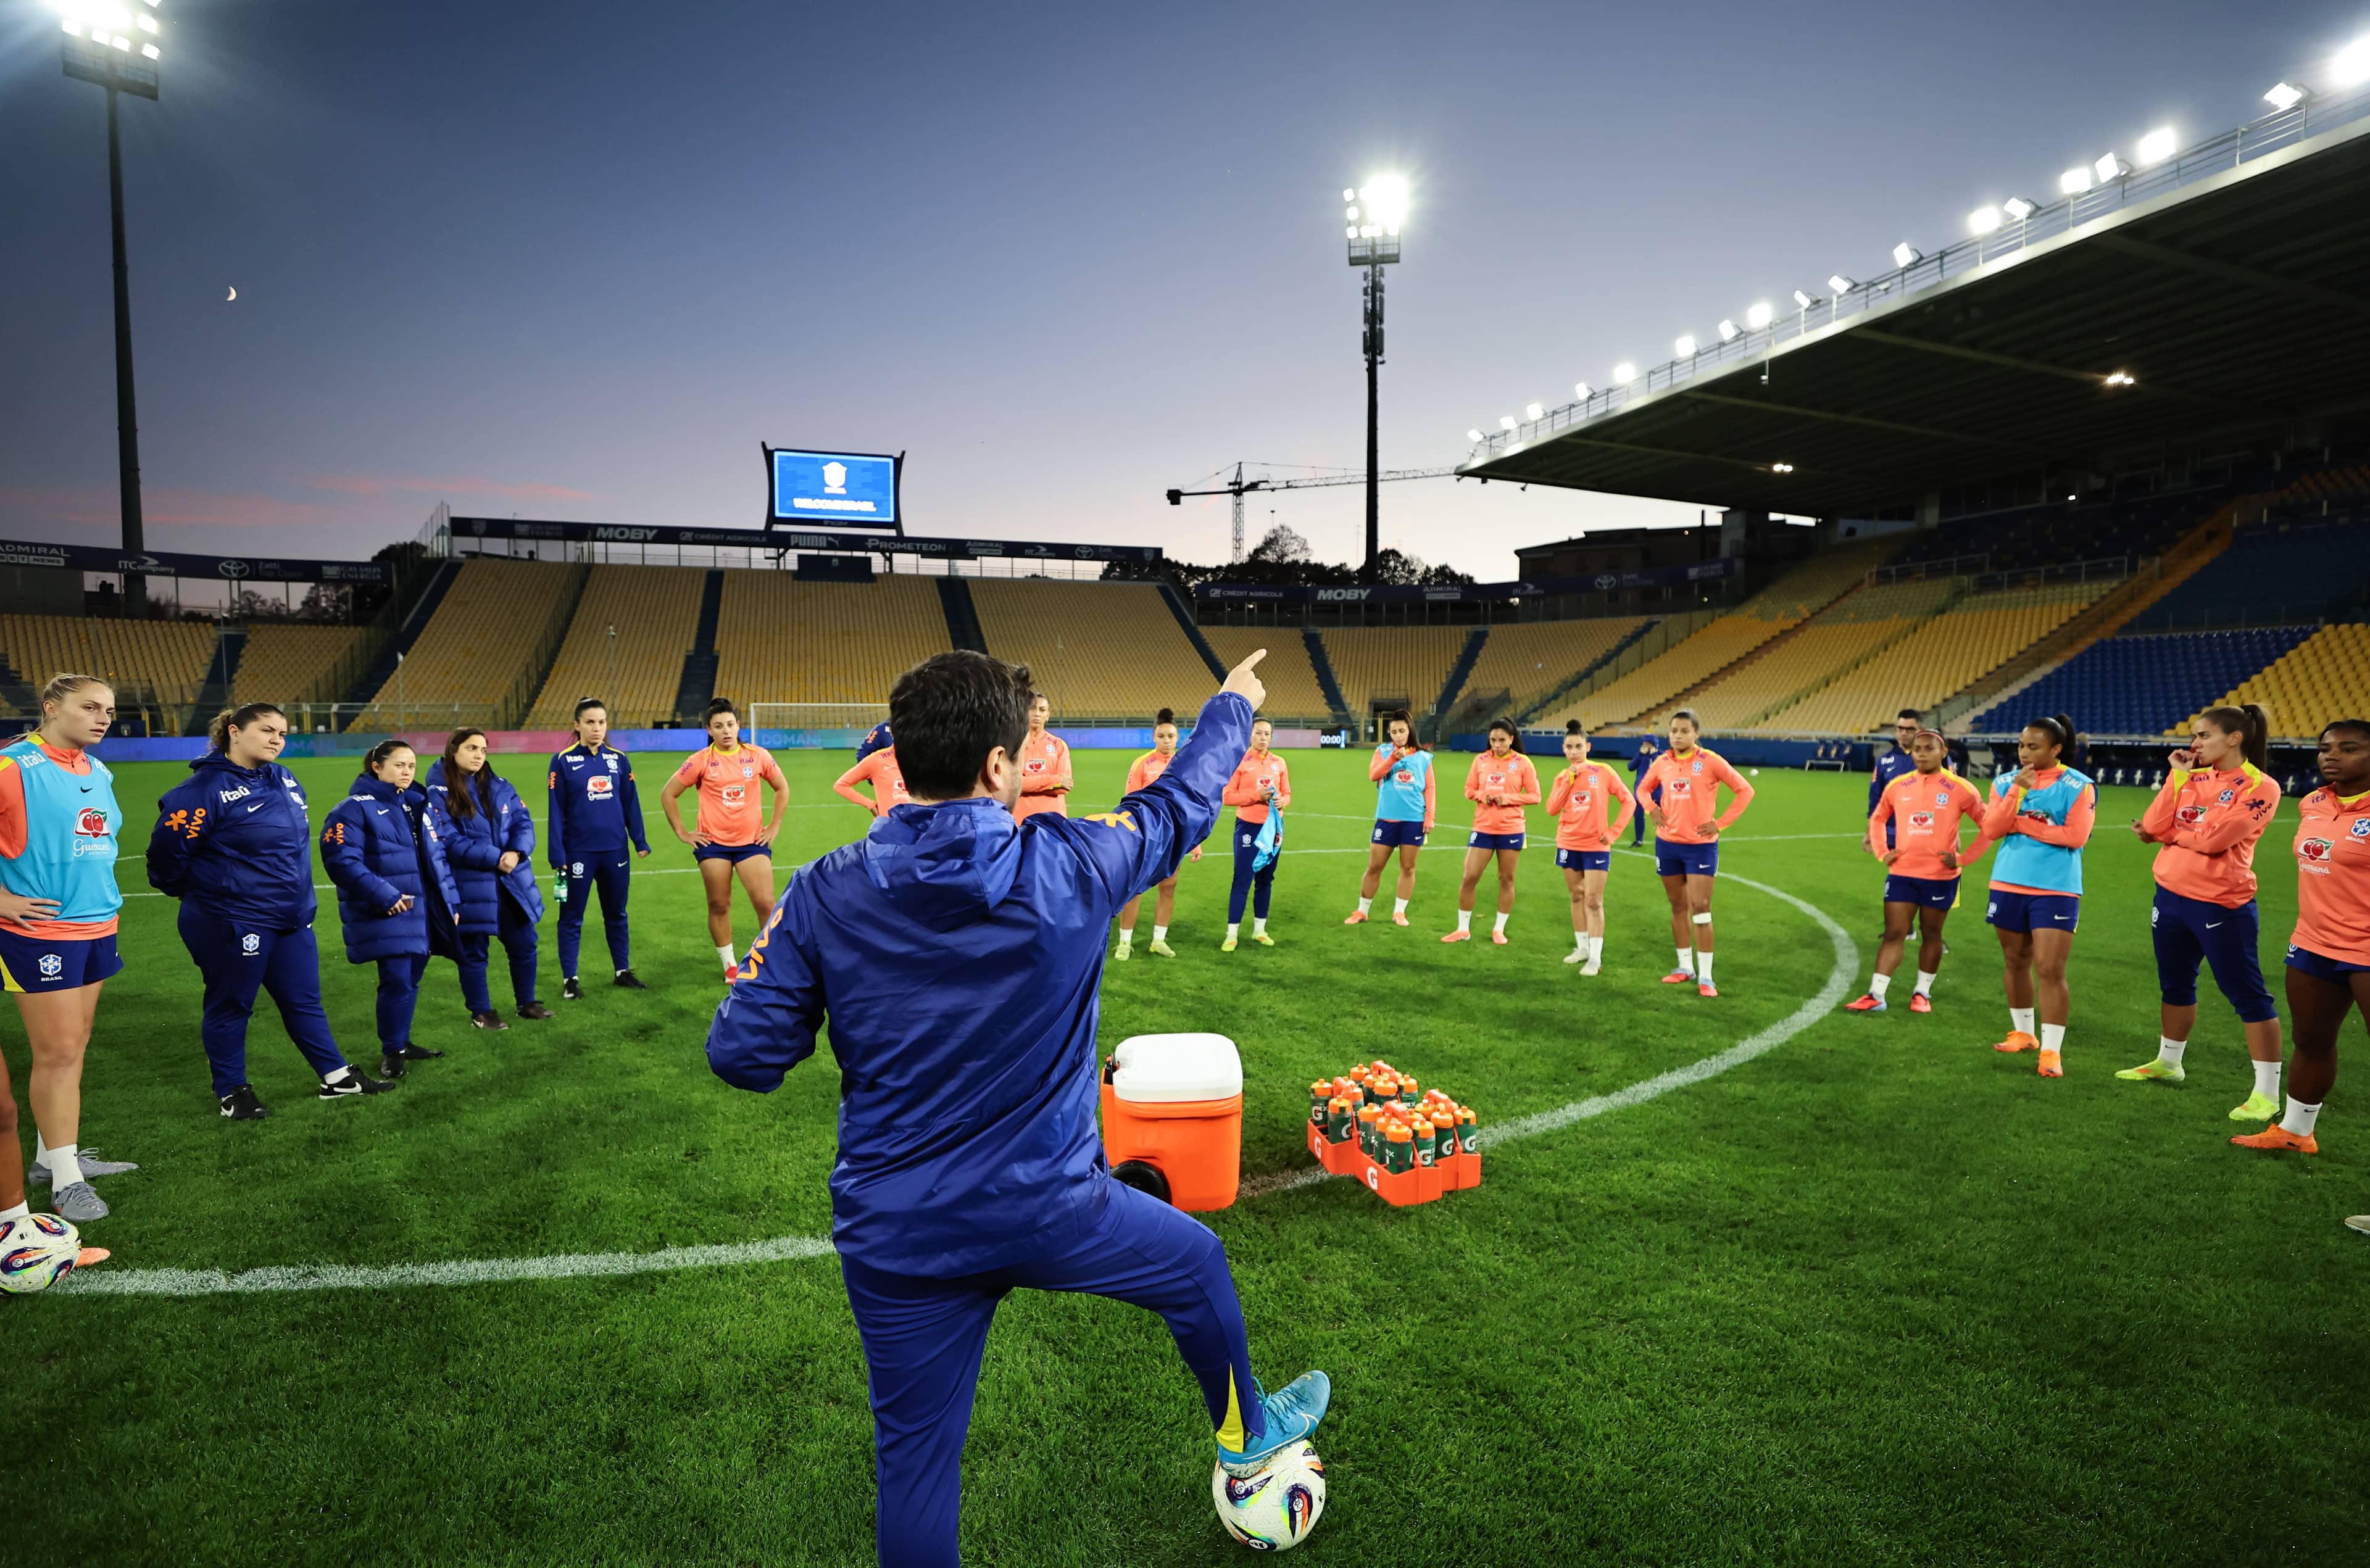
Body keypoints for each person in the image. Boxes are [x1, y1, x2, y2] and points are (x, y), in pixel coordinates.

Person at [705, 647, 1327, 1568]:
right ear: (1001, 765)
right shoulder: (1071, 861)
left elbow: (744, 1055)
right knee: (1196, 1261)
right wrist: (1230, 706)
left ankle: (1252, 1436)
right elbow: (1179, 807)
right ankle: (1246, 1438)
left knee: (916, 1468)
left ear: (899, 756)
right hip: (1052, 1210)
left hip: (900, 1235)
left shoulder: (826, 888)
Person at [149, 702, 391, 1119]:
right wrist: (205, 896)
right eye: (266, 730)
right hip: (233, 919)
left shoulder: (285, 778)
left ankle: (335, 1077)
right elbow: (165, 859)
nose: (277, 739)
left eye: (281, 732)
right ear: (233, 731)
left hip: (291, 917)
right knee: (232, 1004)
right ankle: (233, 1092)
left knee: (305, 1000)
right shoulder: (203, 789)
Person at [0, 675, 133, 1223]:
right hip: (40, 935)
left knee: (72, 1050)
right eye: (89, 707)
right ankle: (67, 1184)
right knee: (56, 1055)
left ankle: (52, 1158)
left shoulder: (97, 769)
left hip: (98, 925)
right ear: (52, 707)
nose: (103, 717)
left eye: (108, 709)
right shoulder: (12, 767)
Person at [2120, 705, 2285, 1120]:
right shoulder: (2190, 777)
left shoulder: (2261, 786)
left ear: (2235, 738)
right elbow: (2156, 823)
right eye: (2194, 736)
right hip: (2170, 898)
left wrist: (2171, 835)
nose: (2194, 744)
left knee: (2247, 994)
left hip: (2221, 904)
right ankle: (2169, 1062)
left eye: (2204, 736)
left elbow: (2217, 840)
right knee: (2175, 984)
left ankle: (2267, 1093)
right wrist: (2175, 776)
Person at [2234, 718, 2370, 1155]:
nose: (2331, 755)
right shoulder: (2314, 801)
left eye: (2348, 748)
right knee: (2311, 1040)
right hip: (2314, 942)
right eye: (2326, 747)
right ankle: (2296, 1130)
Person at [320, 739, 462, 1082]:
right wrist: (384, 895)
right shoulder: (353, 808)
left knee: (411, 979)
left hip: (424, 910)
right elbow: (340, 860)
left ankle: (402, 1041)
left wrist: (450, 903)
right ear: (377, 767)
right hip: (390, 909)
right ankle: (392, 1051)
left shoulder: (418, 805)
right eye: (399, 765)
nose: (407, 772)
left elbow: (438, 859)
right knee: (397, 980)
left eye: (411, 766)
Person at [1981, 716, 2095, 1079]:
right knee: (2015, 960)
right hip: (2008, 882)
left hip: (2056, 888)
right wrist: (2017, 792)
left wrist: (2022, 823)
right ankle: (2023, 1034)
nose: (2025, 753)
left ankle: (2051, 1051)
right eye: (2021, 746)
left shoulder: (2079, 785)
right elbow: (1992, 828)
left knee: (2049, 968)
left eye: (2034, 747)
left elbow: (2075, 837)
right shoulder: (2004, 782)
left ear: (2056, 749)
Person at [1846, 728, 1990, 1014]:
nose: (1922, 753)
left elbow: (1990, 826)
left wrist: (1963, 859)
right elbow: (1878, 818)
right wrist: (1882, 852)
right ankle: (1876, 995)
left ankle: (1922, 993)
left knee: (1932, 934)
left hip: (1940, 876)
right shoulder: (1898, 785)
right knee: (1894, 933)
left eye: (1929, 748)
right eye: (1917, 749)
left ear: (1943, 751)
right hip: (1902, 873)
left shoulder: (1961, 788)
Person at [426, 728, 550, 1030]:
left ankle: (527, 1002)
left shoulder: (499, 784)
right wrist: (496, 858)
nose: (479, 755)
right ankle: (481, 1012)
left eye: (483, 749)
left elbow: (523, 820)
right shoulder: (437, 792)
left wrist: (517, 852)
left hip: (511, 880)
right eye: (471, 749)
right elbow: (448, 840)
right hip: (470, 883)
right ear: (453, 749)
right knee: (474, 950)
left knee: (524, 942)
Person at [662, 698, 788, 982]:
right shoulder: (700, 761)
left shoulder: (758, 756)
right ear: (709, 730)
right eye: (719, 726)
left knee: (766, 903)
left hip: (752, 843)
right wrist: (683, 832)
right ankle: (730, 965)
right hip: (713, 845)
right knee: (719, 904)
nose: (726, 731)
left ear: (738, 725)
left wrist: (774, 825)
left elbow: (782, 787)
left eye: (730, 725)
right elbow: (668, 794)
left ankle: (770, 962)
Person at [1639, 708, 1755, 995]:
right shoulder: (1663, 762)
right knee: (1678, 907)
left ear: (1696, 734)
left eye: (1684, 731)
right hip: (1667, 844)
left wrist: (1720, 824)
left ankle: (1706, 977)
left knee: (1701, 909)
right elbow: (1643, 789)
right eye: (1674, 731)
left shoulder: (1710, 761)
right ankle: (1684, 968)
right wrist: (1652, 808)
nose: (1678, 736)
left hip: (1700, 848)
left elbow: (1745, 790)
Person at [546, 697, 651, 1000]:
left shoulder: (619, 760)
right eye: (590, 722)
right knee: (571, 916)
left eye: (602, 722)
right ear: (577, 725)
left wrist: (639, 840)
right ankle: (571, 979)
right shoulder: (563, 761)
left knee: (617, 913)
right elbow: (556, 810)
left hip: (616, 851)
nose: (597, 728)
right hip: (578, 854)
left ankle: (622, 971)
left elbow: (631, 802)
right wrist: (557, 854)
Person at [1544, 719, 1635, 974]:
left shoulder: (1603, 772)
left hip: (1596, 845)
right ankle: (1582, 948)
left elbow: (1629, 802)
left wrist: (1614, 832)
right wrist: (1567, 782)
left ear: (1588, 747)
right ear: (1564, 749)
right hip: (1568, 843)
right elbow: (1551, 809)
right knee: (1576, 896)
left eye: (1579, 746)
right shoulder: (1563, 776)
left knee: (1594, 900)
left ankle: (1595, 958)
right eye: (1569, 747)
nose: (1574, 752)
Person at [1113, 709, 1201, 959]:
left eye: (1171, 736)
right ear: (1154, 737)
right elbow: (1129, 800)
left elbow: (1191, 806)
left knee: (1168, 888)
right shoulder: (1142, 764)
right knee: (1136, 888)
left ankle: (1158, 940)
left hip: (1176, 836)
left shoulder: (1186, 765)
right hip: (1147, 835)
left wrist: (1195, 842)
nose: (1166, 741)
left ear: (1178, 738)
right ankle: (1124, 942)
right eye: (1161, 736)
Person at [1445, 719, 1540, 946]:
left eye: (1502, 740)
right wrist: (1483, 795)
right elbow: (1469, 789)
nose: (1497, 745)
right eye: (1493, 740)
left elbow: (1535, 796)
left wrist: (1507, 799)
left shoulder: (1523, 763)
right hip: (1483, 827)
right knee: (1469, 877)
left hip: (1511, 829)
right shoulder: (1480, 761)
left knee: (1506, 879)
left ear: (1511, 739)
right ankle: (1462, 929)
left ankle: (1499, 929)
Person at [1347, 708, 1434, 927]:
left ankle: (1400, 912)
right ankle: (1362, 910)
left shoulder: (1424, 757)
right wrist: (1393, 760)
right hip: (1386, 818)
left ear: (1410, 730)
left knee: (1408, 868)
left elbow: (1430, 788)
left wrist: (1429, 817)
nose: (1397, 735)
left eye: (1402, 731)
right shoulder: (1383, 751)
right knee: (1374, 866)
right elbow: (1374, 775)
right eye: (1394, 731)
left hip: (1413, 819)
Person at [1219, 718, 1290, 952]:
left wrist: (1283, 801)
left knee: (1266, 879)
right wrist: (1256, 797)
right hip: (1248, 827)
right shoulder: (1240, 762)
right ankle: (1232, 934)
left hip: (1273, 828)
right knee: (1242, 879)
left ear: (1272, 736)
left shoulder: (1279, 763)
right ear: (1251, 735)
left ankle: (1260, 930)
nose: (1263, 738)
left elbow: (1288, 793)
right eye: (1259, 733)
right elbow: (1227, 796)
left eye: (1267, 734)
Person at [1868, 710, 1923, 853]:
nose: (1904, 733)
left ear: (1919, 730)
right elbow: (1875, 798)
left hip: (1925, 831)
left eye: (1910, 729)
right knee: (1898, 873)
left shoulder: (1932, 759)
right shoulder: (1884, 762)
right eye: (1901, 728)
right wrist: (1870, 831)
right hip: (1893, 833)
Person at [1013, 692, 1073, 823]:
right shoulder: (1013, 744)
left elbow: (1064, 786)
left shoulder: (1058, 745)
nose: (1037, 713)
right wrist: (1055, 780)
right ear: (1024, 712)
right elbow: (1014, 784)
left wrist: (1028, 783)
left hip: (1054, 822)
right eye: (1032, 708)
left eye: (1042, 710)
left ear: (1048, 716)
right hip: (1020, 821)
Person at [834, 740, 912, 819]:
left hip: (919, 828)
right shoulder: (878, 759)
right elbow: (841, 785)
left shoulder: (922, 760)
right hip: (889, 828)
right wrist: (870, 804)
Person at [1628, 734, 1659, 847]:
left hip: (1657, 791)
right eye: (1644, 744)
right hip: (1641, 791)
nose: (1645, 746)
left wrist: (1654, 755)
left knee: (1664, 815)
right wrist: (1640, 754)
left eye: (1647, 744)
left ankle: (1669, 839)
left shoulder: (1661, 755)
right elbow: (1630, 767)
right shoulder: (1641, 756)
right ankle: (1639, 840)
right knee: (1638, 815)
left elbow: (1663, 767)